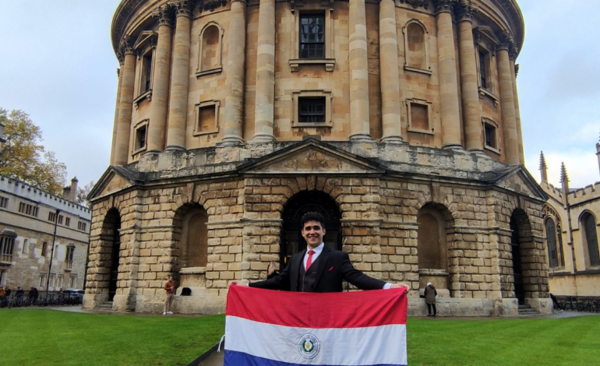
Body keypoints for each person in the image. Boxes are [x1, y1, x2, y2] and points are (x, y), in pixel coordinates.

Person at [234, 212, 408, 292]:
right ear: (302, 233)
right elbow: (278, 282)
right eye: (308, 228)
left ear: (324, 231)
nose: (312, 232)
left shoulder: (338, 257)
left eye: (316, 228)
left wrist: (389, 287)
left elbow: (358, 278)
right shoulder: (295, 259)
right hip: (298, 316)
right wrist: (247, 286)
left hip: (326, 318)